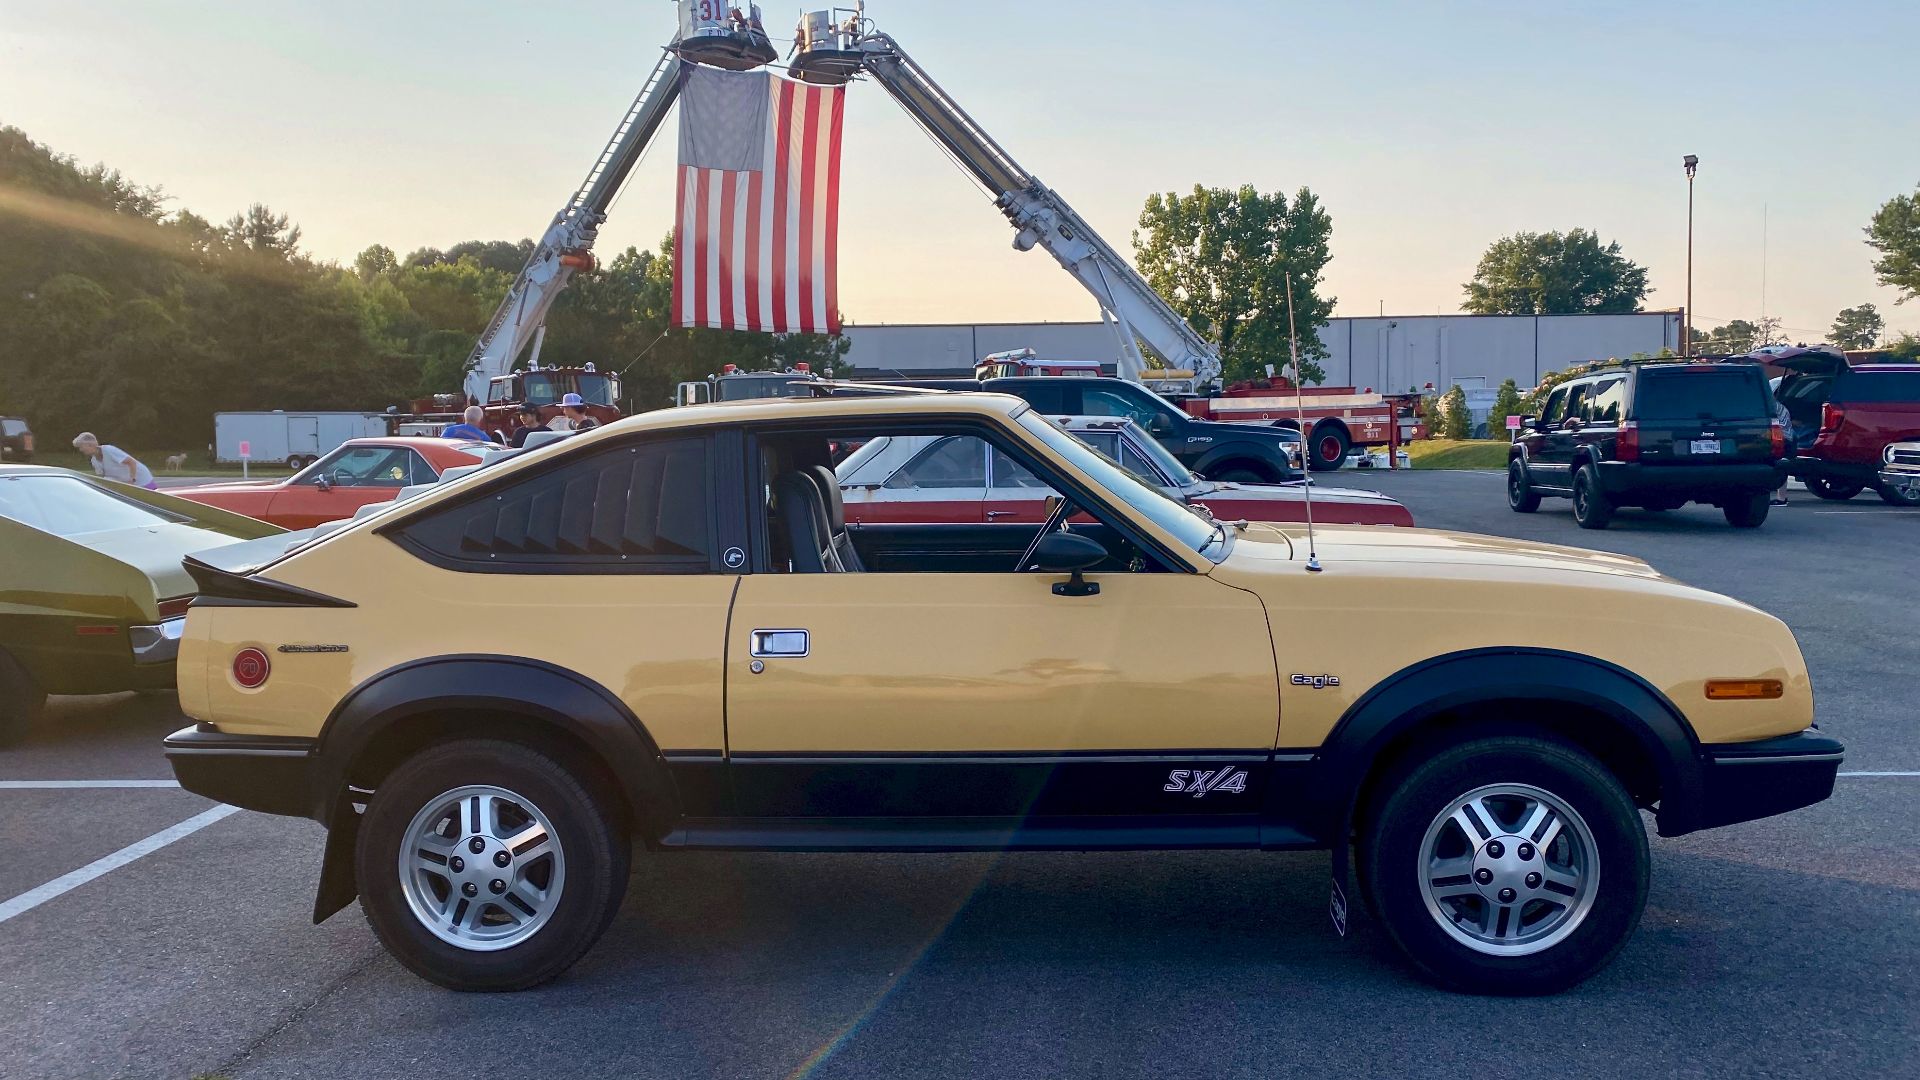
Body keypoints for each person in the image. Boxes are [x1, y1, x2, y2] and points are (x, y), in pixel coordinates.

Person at [71, 433, 156, 489]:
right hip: (129, 485)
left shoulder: (109, 450)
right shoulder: (94, 461)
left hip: (142, 480)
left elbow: (132, 462)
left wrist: (131, 481)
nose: (81, 450)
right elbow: (106, 478)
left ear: (90, 445)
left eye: (81, 446)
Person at [1770, 377, 1794, 506]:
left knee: (1779, 468)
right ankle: (1781, 498)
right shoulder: (1781, 407)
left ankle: (1781, 498)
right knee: (1782, 467)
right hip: (1788, 439)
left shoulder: (1772, 407)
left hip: (1781, 440)